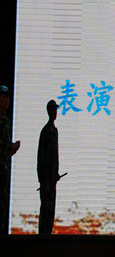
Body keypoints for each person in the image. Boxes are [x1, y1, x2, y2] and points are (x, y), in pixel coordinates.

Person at [37, 100, 61, 235]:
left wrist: (55, 173)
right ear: (48, 111)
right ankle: (42, 237)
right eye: (52, 109)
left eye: (56, 110)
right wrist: (43, 179)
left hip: (52, 180)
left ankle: (48, 235)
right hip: (46, 180)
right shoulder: (45, 131)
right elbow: (41, 157)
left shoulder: (54, 131)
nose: (55, 112)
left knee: (51, 210)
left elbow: (55, 156)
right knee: (45, 211)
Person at [0, 85, 20, 234]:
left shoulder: (6, 121)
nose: (5, 100)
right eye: (3, 97)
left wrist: (12, 147)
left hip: (5, 170)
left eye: (7, 97)